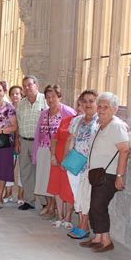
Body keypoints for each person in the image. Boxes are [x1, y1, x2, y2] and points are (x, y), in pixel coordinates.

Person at [80, 92, 129, 252]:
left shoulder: (116, 125)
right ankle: (98, 237)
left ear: (114, 109)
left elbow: (124, 150)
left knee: (98, 206)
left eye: (105, 107)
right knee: (95, 206)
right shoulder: (102, 124)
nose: (101, 110)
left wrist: (120, 176)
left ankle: (106, 241)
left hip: (109, 175)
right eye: (99, 106)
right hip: (98, 174)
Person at [33, 85, 76, 219]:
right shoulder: (44, 113)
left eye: (53, 97)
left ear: (59, 97)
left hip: (59, 151)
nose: (50, 100)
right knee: (45, 179)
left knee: (54, 180)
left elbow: (77, 125)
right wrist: (35, 153)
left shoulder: (68, 112)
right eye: (48, 97)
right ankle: (50, 205)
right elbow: (38, 133)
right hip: (44, 148)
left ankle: (54, 209)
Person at [63, 90, 99, 239]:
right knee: (78, 196)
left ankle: (83, 226)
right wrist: (65, 158)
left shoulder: (100, 121)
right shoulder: (77, 120)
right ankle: (83, 224)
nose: (88, 104)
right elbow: (69, 139)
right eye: (85, 101)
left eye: (91, 101)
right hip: (75, 164)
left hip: (90, 165)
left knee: (86, 196)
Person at [48, 95, 84, 229]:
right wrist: (52, 156)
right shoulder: (67, 120)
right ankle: (59, 216)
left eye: (83, 105)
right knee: (57, 186)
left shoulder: (87, 123)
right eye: (78, 105)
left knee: (69, 187)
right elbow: (55, 138)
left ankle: (68, 217)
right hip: (58, 157)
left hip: (72, 159)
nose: (80, 108)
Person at [16, 75, 48, 210]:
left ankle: (46, 202)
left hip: (39, 143)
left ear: (37, 85)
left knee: (41, 172)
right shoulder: (21, 104)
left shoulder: (45, 101)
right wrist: (17, 141)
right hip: (24, 141)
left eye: (29, 84)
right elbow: (18, 123)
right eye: (25, 86)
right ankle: (29, 200)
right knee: (25, 171)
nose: (27, 87)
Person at [8, 85, 24, 204]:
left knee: (21, 168)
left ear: (21, 95)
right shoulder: (7, 108)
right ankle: (8, 193)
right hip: (8, 142)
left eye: (17, 93)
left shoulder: (23, 108)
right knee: (9, 167)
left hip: (21, 141)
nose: (15, 96)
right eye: (12, 94)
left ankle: (21, 194)